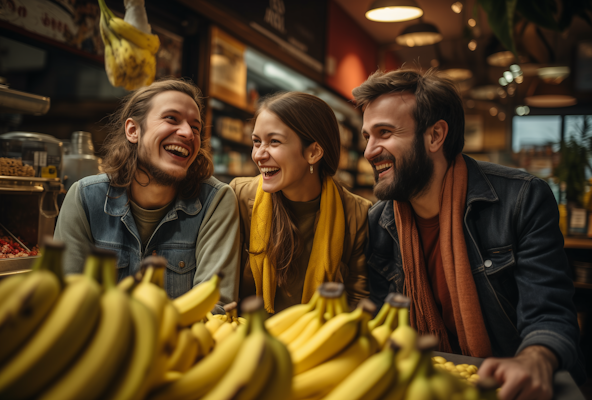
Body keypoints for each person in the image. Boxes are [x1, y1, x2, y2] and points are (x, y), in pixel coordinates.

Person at [354, 68, 585, 399]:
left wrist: (534, 360)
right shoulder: (379, 223)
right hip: (428, 384)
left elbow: (549, 312)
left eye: (385, 133)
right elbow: (382, 327)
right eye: (367, 137)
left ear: (435, 136)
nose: (369, 151)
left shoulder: (521, 199)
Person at [54, 78, 240, 310]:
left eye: (196, 127)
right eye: (171, 118)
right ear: (133, 130)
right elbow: (64, 300)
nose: (188, 133)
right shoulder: (84, 197)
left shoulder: (216, 201)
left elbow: (214, 307)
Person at [230, 91, 371, 314]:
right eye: (257, 142)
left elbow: (357, 301)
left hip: (320, 343)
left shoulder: (357, 214)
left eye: (274, 141)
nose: (258, 155)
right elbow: (223, 287)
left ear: (314, 152)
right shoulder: (238, 196)